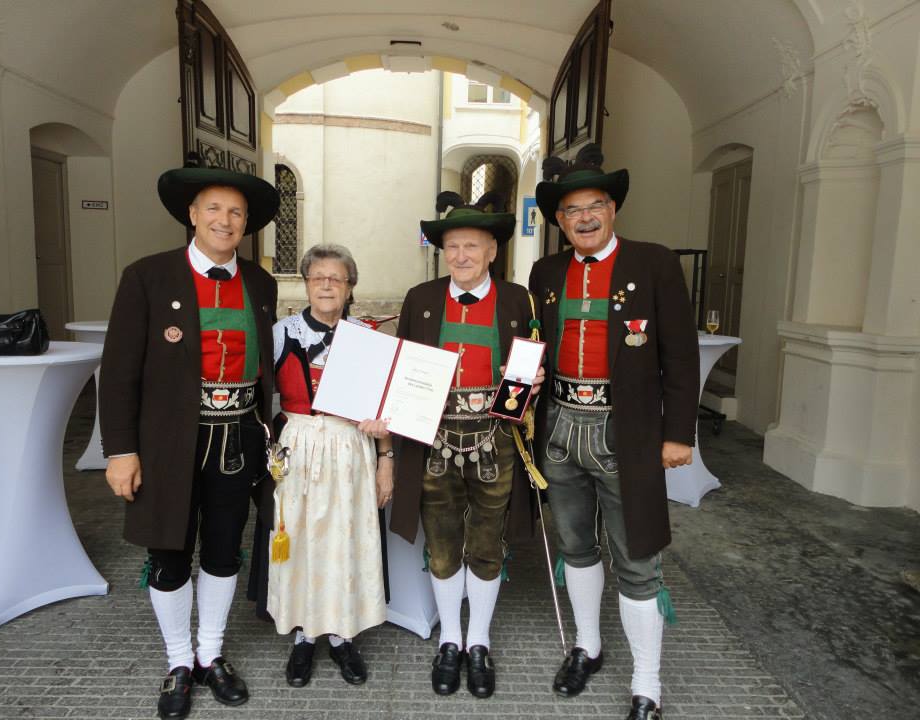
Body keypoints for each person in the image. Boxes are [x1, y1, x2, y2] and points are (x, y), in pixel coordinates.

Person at [99, 158, 279, 719]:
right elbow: (120, 370)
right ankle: (178, 661)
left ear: (246, 225)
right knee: (170, 552)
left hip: (239, 436)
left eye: (237, 213)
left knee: (225, 551)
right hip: (167, 443)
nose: (226, 220)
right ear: (192, 215)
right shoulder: (147, 276)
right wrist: (121, 451)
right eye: (215, 209)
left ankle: (211, 655)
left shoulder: (259, 281)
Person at [528, 144, 699, 720]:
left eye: (594, 204)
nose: (584, 217)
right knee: (575, 546)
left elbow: (680, 353)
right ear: (559, 220)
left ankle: (646, 682)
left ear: (613, 208)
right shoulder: (546, 271)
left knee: (636, 555)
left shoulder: (653, 262)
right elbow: (535, 348)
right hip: (559, 427)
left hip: (624, 430)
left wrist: (678, 434)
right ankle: (588, 646)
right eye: (572, 210)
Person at [390, 192, 539, 699]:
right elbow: (404, 368)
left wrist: (533, 381)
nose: (461, 256)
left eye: (471, 246)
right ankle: (449, 639)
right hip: (434, 440)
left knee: (486, 543)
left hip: (496, 439)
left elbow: (534, 363)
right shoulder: (421, 298)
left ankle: (479, 640)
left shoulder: (518, 299)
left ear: (492, 250)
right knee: (442, 542)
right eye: (452, 246)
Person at [265, 244, 390, 688]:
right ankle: (303, 635)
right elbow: (263, 396)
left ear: (350, 286)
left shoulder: (366, 336)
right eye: (318, 277)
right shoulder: (281, 332)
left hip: (351, 445)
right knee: (299, 539)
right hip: (299, 445)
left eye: (336, 278)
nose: (326, 285)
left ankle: (340, 635)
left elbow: (384, 403)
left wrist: (386, 459)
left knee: (344, 539)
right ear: (306, 283)